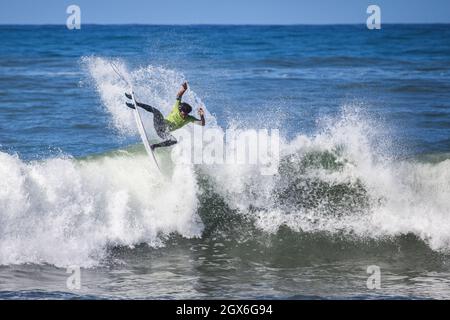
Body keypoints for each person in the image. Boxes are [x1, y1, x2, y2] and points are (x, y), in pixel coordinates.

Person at [125, 82, 205, 151]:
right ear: (181, 110)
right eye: (184, 113)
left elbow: (202, 124)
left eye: (187, 113)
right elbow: (178, 96)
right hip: (159, 123)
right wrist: (183, 89)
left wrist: (202, 116)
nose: (185, 115)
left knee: (174, 140)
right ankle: (136, 104)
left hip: (162, 132)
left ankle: (154, 146)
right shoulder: (177, 108)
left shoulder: (189, 118)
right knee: (156, 111)